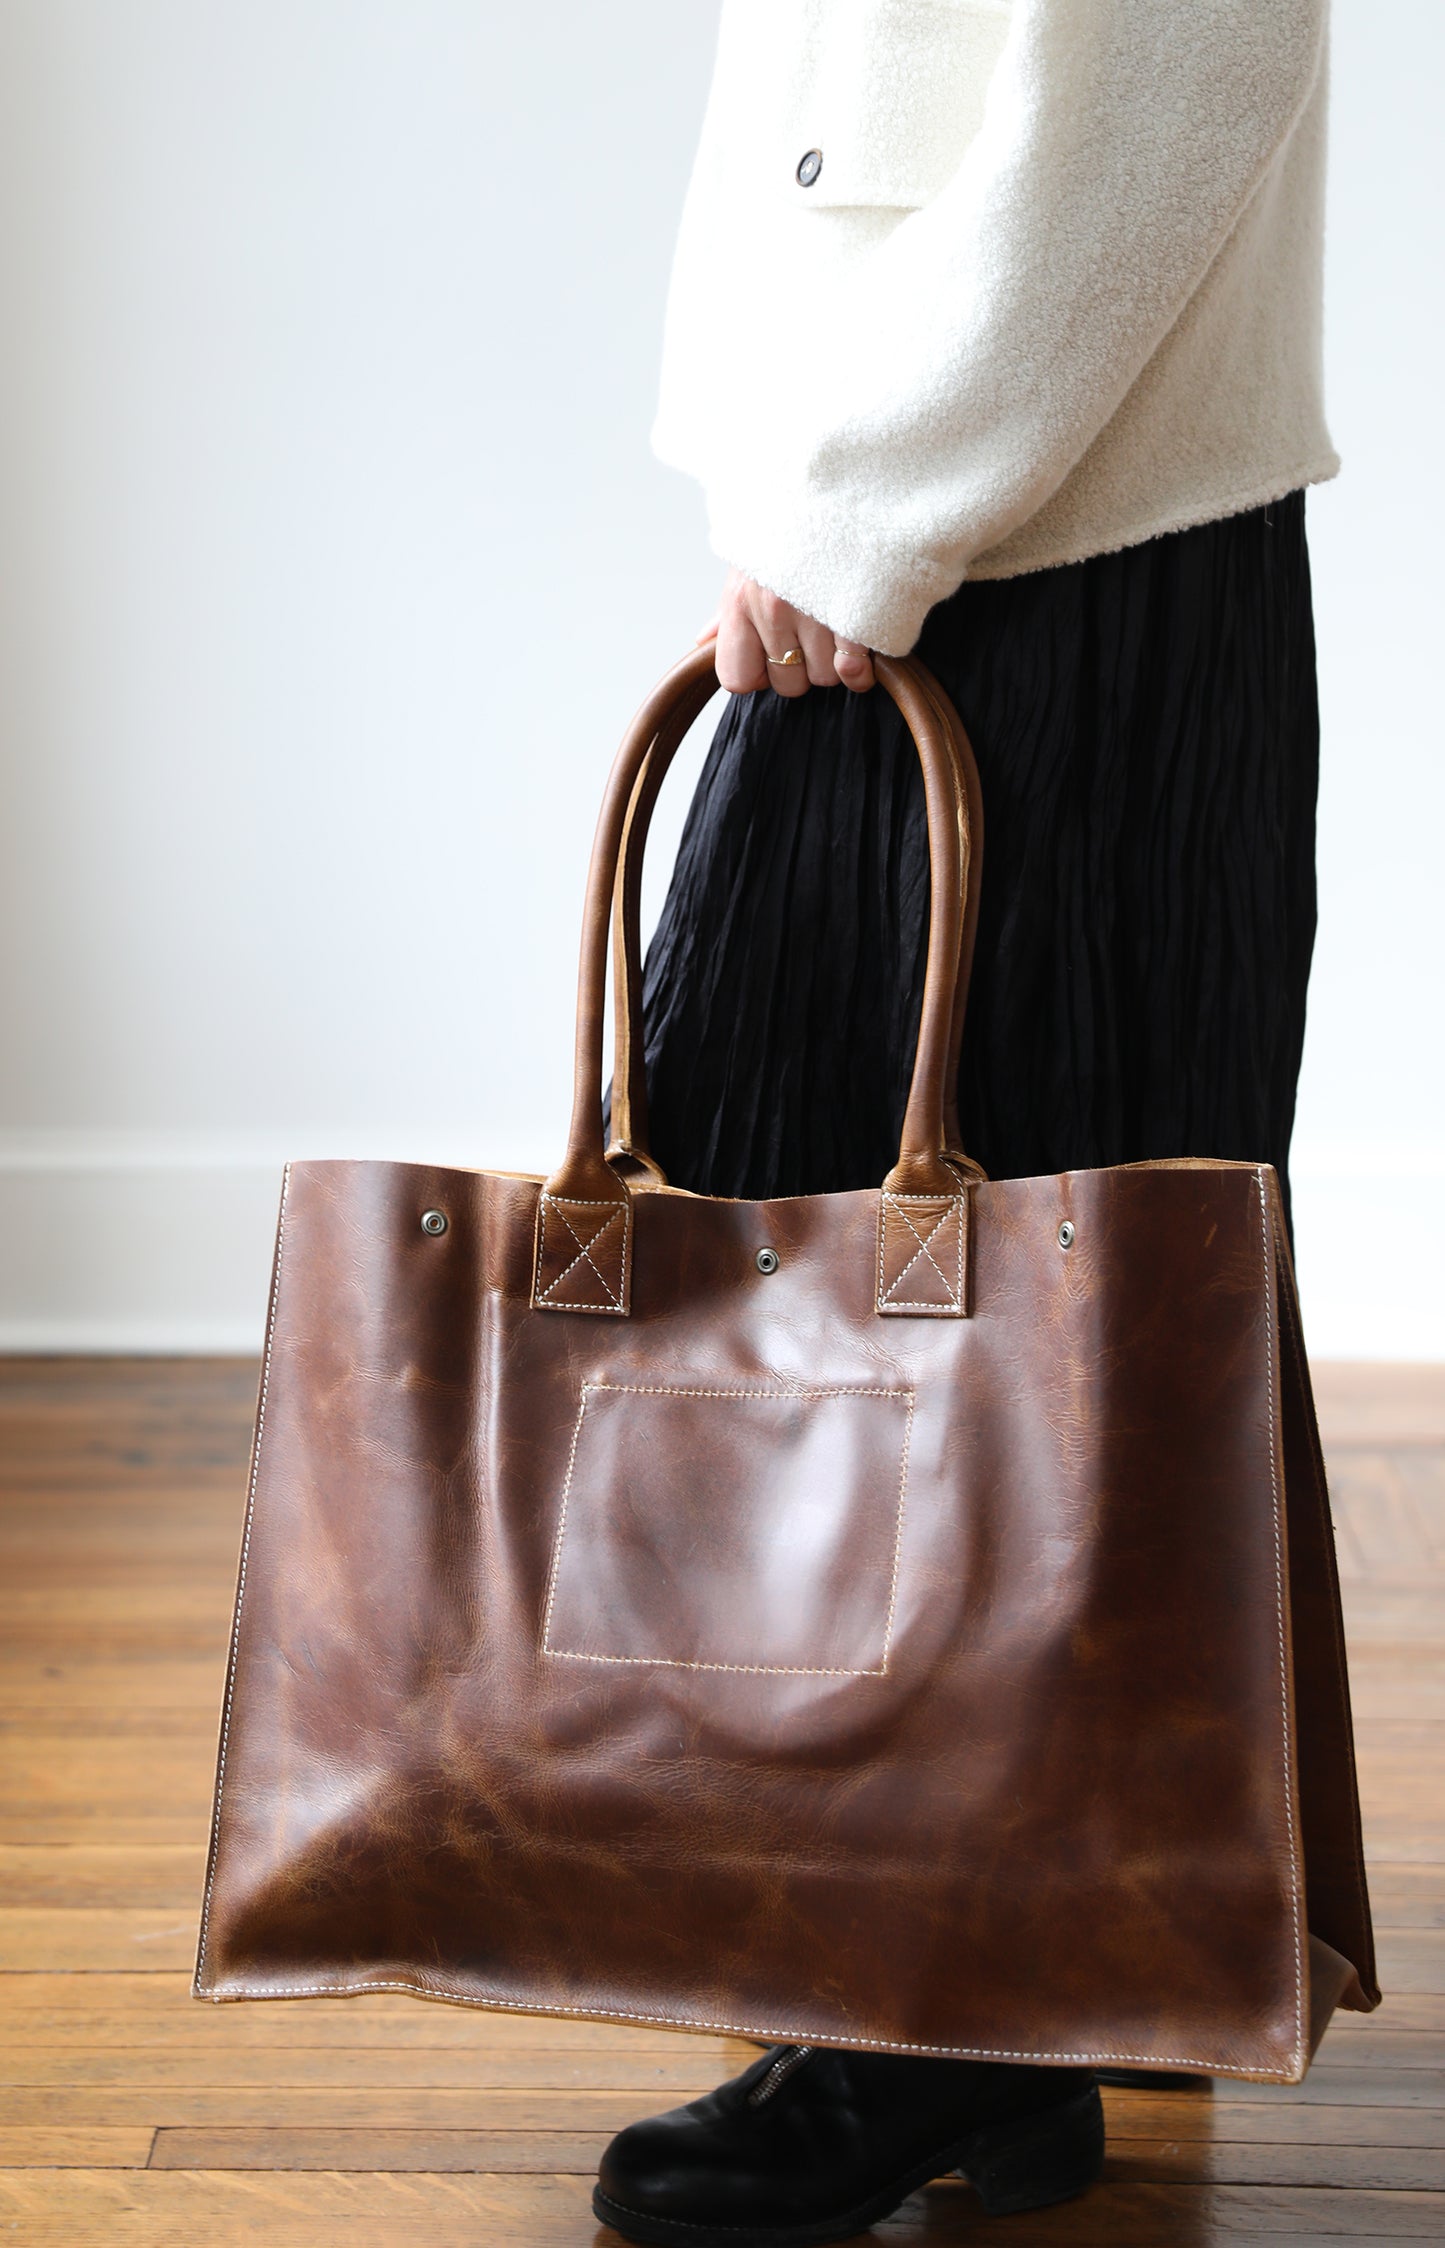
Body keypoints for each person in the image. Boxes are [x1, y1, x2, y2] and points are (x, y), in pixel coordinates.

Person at [592, 4, 1335, 2241]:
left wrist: (854, 506)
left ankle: (931, 2001)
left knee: (1002, 1303)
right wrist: (788, 485)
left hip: (1044, 538)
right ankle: (971, 1994)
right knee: (872, 1269)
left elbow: (1179, 88)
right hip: (915, 526)